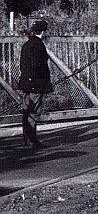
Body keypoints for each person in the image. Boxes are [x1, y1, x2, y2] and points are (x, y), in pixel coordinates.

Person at [17, 20, 53, 150]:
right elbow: (38, 65)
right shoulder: (39, 45)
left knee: (26, 111)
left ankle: (27, 139)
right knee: (33, 111)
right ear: (43, 32)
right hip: (36, 84)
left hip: (25, 83)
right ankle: (32, 141)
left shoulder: (27, 44)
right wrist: (45, 79)